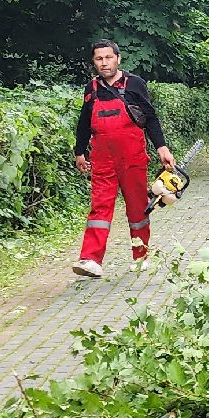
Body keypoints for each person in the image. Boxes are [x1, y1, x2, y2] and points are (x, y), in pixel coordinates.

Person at [72, 41, 177, 278]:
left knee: (138, 208)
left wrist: (161, 147)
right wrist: (80, 152)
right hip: (102, 160)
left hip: (132, 158)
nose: (104, 63)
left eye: (108, 57)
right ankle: (90, 260)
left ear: (118, 59)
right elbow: (84, 122)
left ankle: (140, 257)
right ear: (94, 62)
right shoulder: (91, 88)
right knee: (99, 208)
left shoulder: (135, 84)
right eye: (99, 59)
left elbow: (150, 118)